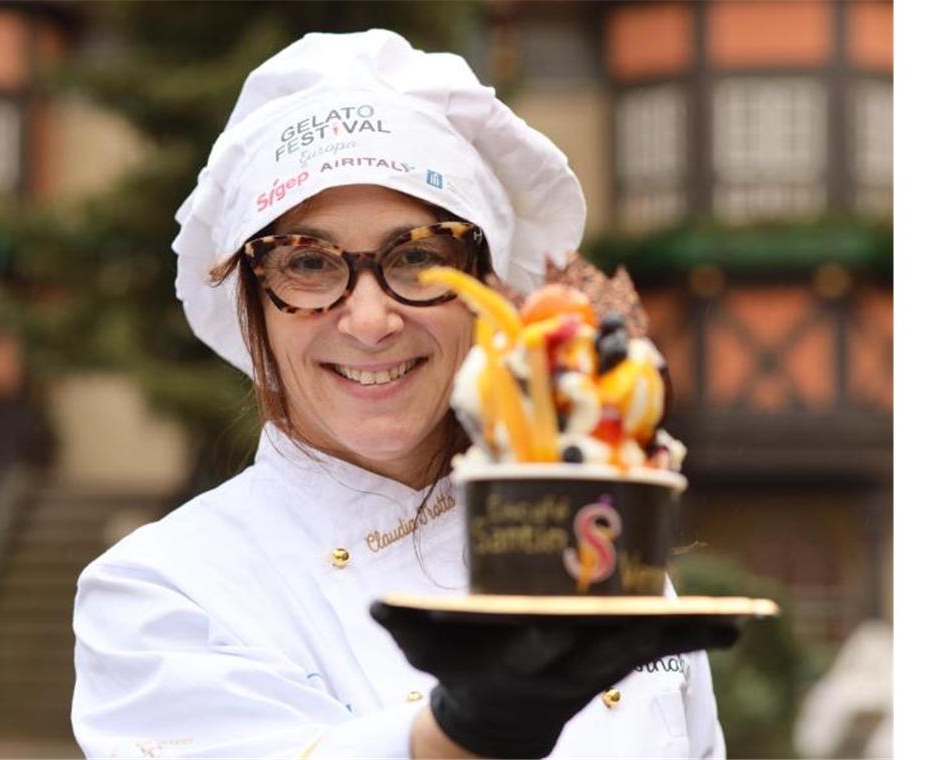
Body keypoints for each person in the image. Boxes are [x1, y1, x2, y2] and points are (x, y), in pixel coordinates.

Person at [72, 30, 731, 759]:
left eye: (418, 256)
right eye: (308, 263)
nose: (370, 320)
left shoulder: (603, 553)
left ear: (488, 291)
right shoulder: (162, 593)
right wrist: (463, 731)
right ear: (250, 302)